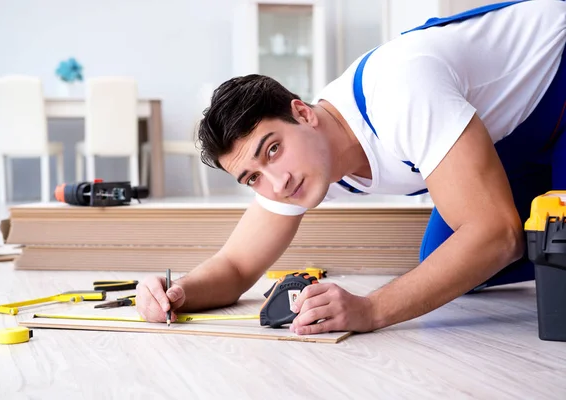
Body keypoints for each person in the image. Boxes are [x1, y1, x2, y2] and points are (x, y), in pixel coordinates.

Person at [136, 0, 566, 335]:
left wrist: (370, 309)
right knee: (444, 260)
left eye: (271, 150)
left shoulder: (399, 89)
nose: (276, 182)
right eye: (252, 177)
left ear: (302, 114)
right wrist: (177, 292)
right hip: (511, 133)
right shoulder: (297, 167)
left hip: (558, 74)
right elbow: (235, 268)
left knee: (491, 242)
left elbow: (497, 234)